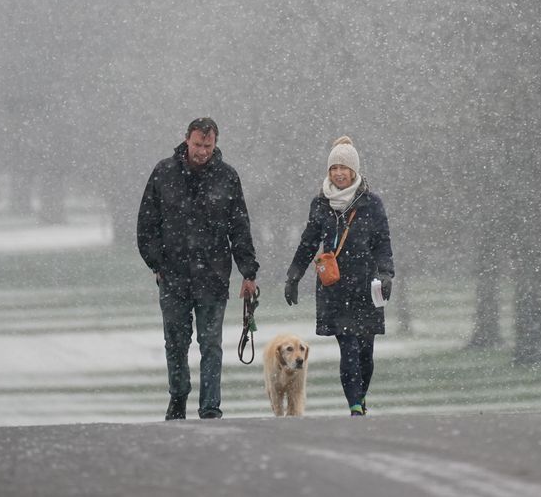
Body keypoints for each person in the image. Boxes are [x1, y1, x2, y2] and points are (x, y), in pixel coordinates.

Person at [137, 117, 260, 420]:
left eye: (208, 145)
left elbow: (240, 227)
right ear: (186, 140)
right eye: (197, 144)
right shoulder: (163, 173)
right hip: (173, 275)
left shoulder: (227, 177)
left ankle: (210, 407)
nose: (202, 151)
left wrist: (248, 272)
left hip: (214, 276)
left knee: (211, 345)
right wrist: (156, 262)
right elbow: (146, 224)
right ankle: (178, 397)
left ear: (216, 143)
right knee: (176, 343)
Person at [284, 136, 394, 416]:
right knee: (348, 346)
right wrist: (293, 276)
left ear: (354, 170)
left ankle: (361, 396)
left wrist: (386, 273)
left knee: (365, 352)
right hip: (335, 288)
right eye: (333, 168)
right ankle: (355, 405)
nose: (338, 173)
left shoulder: (372, 203)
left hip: (367, 287)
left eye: (343, 167)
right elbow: (308, 242)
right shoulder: (321, 204)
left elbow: (382, 242)